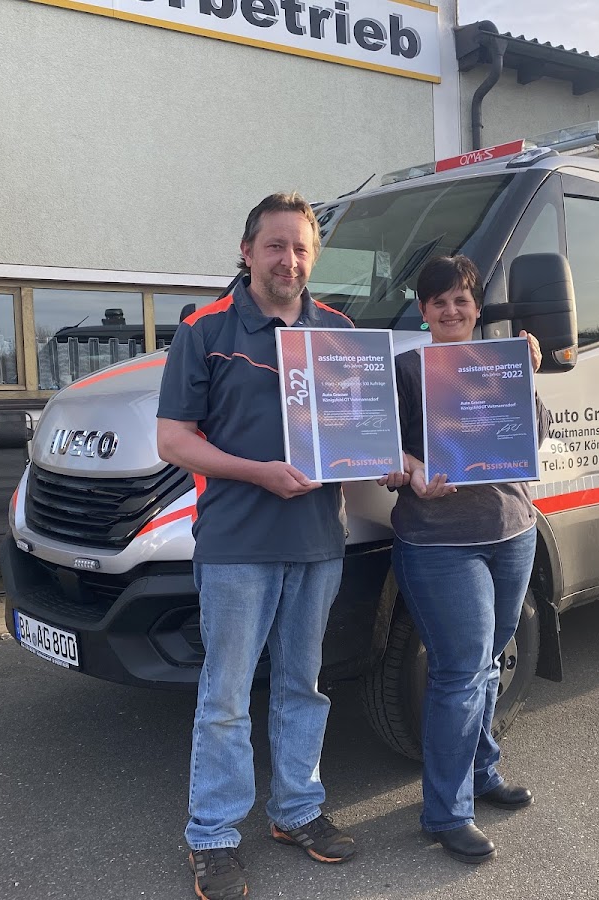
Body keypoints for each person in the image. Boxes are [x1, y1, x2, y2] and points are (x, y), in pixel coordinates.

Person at [157, 192, 356, 900]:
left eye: (301, 248)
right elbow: (174, 440)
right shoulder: (205, 330)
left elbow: (360, 426)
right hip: (237, 542)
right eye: (275, 246)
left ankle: (297, 810)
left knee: (304, 685)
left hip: (317, 541)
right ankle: (212, 835)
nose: (288, 260)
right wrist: (259, 473)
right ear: (247, 252)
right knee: (227, 696)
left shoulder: (339, 332)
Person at [380, 254, 550, 865]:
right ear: (423, 311)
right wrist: (410, 471)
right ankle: (446, 814)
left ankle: (481, 773)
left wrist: (526, 378)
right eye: (439, 301)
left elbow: (533, 435)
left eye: (461, 300)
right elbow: (377, 446)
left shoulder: (502, 363)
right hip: (438, 542)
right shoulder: (405, 370)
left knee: (486, 665)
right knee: (459, 671)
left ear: (476, 307)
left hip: (512, 530)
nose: (451, 310)